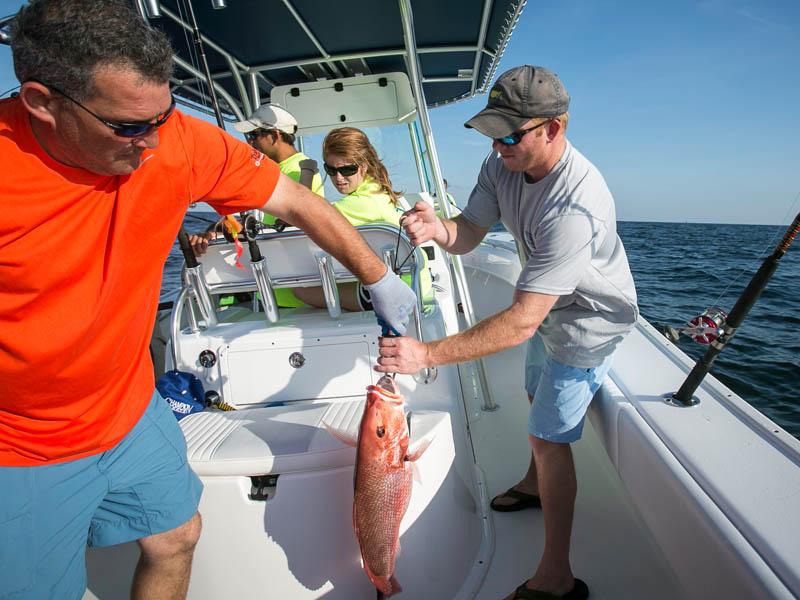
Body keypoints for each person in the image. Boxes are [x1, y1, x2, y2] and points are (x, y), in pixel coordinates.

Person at [0, 2, 415, 599]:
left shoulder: (177, 141)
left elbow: (297, 204)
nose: (150, 143)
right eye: (127, 126)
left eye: (162, 116)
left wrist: (378, 277)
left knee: (177, 537)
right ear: (41, 101)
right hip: (22, 447)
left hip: (128, 409)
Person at [375, 65, 638, 600]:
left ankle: (557, 576)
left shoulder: (575, 205)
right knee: (529, 394)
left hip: (588, 319)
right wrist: (437, 229)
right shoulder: (504, 163)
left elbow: (520, 322)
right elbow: (469, 233)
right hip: (547, 303)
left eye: (510, 134)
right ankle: (533, 482)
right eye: (494, 133)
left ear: (553, 129)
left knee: (547, 434)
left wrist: (425, 354)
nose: (498, 146)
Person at [292, 126, 434, 311]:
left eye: (348, 169)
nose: (338, 178)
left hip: (401, 293)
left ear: (364, 165)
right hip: (416, 287)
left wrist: (306, 173)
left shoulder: (360, 204)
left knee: (300, 290)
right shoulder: (378, 191)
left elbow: (302, 215)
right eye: (331, 169)